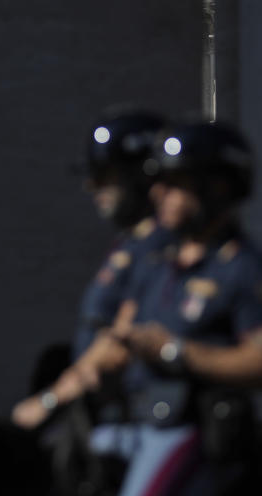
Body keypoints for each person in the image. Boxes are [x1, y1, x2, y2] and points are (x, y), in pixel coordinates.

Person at [13, 119, 262, 496]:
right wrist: (52, 398)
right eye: (156, 182)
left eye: (173, 184)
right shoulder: (162, 269)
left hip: (190, 425)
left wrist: (173, 353)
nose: (158, 193)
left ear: (217, 188)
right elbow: (118, 342)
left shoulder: (244, 270)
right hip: (135, 421)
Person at [71, 108, 172, 359]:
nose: (91, 185)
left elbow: (124, 338)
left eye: (105, 175)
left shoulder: (163, 249)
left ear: (142, 175)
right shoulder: (132, 244)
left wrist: (53, 397)